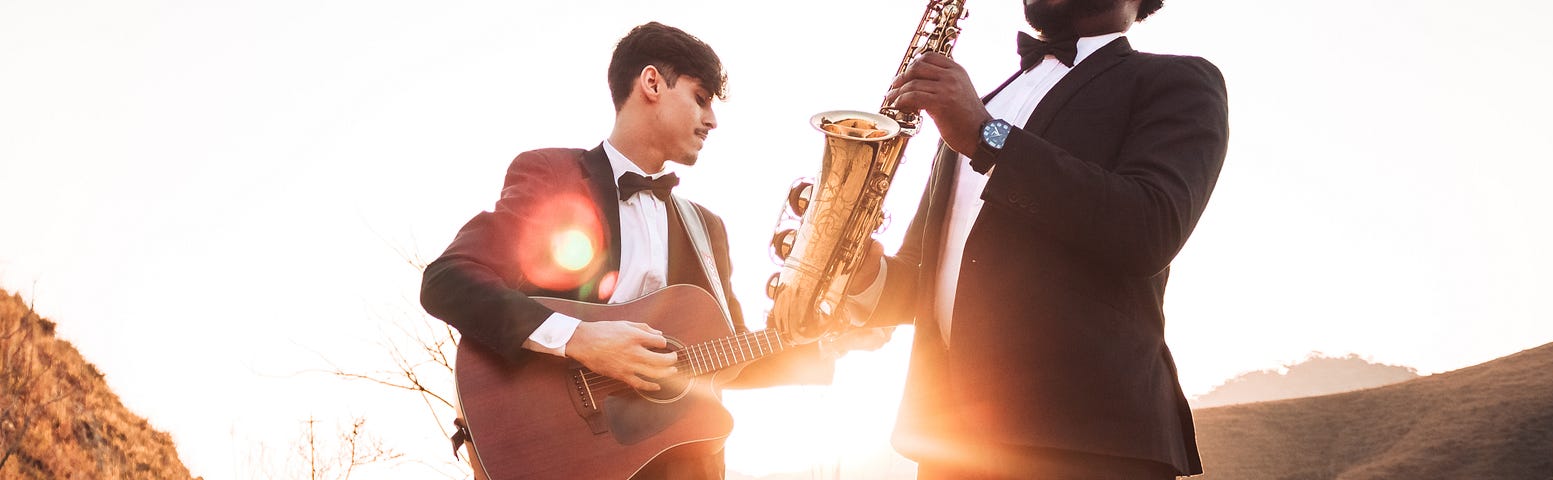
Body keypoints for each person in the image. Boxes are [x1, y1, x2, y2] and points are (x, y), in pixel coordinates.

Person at [420, 22, 851, 479]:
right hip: (557, 457)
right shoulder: (552, 175)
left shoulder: (708, 229)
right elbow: (447, 280)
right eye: (700, 98)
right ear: (651, 83)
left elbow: (728, 354)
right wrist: (577, 339)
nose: (712, 120)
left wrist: (820, 347)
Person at [846, 0, 1228, 478]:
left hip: (1090, 447)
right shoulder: (980, 103)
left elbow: (1149, 227)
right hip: (950, 446)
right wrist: (861, 272)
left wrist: (988, 136)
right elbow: (924, 275)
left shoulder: (1180, 81)